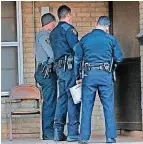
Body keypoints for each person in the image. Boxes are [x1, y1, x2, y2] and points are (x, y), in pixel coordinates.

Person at [74, 16, 124, 144]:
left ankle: (84, 138)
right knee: (108, 106)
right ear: (107, 27)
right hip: (105, 75)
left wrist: (77, 76)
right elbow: (119, 57)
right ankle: (110, 137)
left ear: (96, 24)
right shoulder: (110, 39)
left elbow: (77, 58)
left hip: (89, 76)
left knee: (86, 107)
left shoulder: (85, 39)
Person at [49, 5, 81, 142]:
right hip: (69, 69)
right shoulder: (68, 30)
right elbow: (77, 50)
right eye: (70, 16)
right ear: (68, 15)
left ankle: (58, 132)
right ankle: (73, 133)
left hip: (59, 70)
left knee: (61, 99)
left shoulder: (53, 32)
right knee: (73, 98)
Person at [34, 13, 57, 140]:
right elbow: (52, 54)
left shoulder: (41, 35)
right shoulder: (44, 35)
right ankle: (48, 133)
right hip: (46, 72)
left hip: (44, 72)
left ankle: (48, 132)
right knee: (50, 102)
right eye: (54, 23)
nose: (54, 26)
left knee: (50, 101)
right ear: (51, 23)